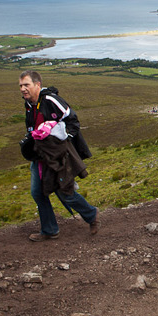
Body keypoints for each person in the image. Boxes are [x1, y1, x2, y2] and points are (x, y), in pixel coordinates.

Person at [18, 70, 99, 242]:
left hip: (57, 156)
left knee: (65, 193)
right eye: (21, 86)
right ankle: (49, 230)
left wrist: (61, 143)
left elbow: (73, 121)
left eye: (27, 85)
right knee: (38, 193)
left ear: (37, 85)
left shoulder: (50, 100)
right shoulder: (29, 105)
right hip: (39, 157)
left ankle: (91, 215)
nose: (23, 89)